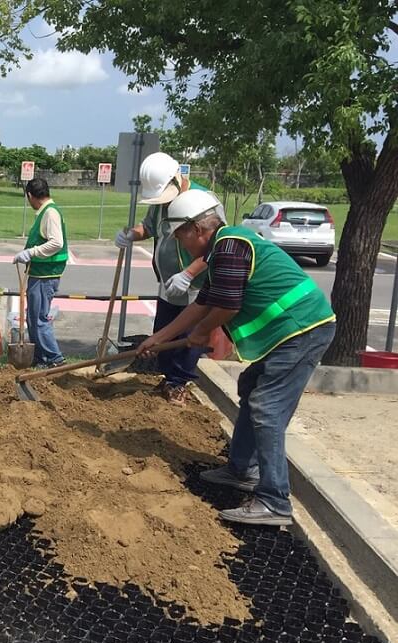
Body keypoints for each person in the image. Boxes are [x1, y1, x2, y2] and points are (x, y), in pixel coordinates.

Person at [138, 190, 336, 526]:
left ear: (196, 229)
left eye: (181, 238)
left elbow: (227, 306)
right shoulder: (224, 249)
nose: (183, 248)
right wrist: (158, 338)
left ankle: (274, 501)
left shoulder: (230, 245)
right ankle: (242, 469)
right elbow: (203, 304)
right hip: (293, 330)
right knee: (251, 385)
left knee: (267, 408)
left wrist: (200, 335)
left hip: (303, 329)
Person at [114, 152, 211, 406]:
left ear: (177, 179)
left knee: (186, 336)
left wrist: (189, 273)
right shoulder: (161, 203)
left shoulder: (203, 201)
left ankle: (180, 383)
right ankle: (169, 379)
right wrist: (131, 234)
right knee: (164, 332)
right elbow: (148, 227)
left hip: (194, 285)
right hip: (168, 283)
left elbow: (215, 248)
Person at [12, 177, 68, 369]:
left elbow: (56, 243)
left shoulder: (50, 212)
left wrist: (30, 252)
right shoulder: (44, 211)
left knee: (39, 319)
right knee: (33, 317)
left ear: (30, 195)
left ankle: (55, 358)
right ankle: (40, 357)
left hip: (46, 274)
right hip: (39, 272)